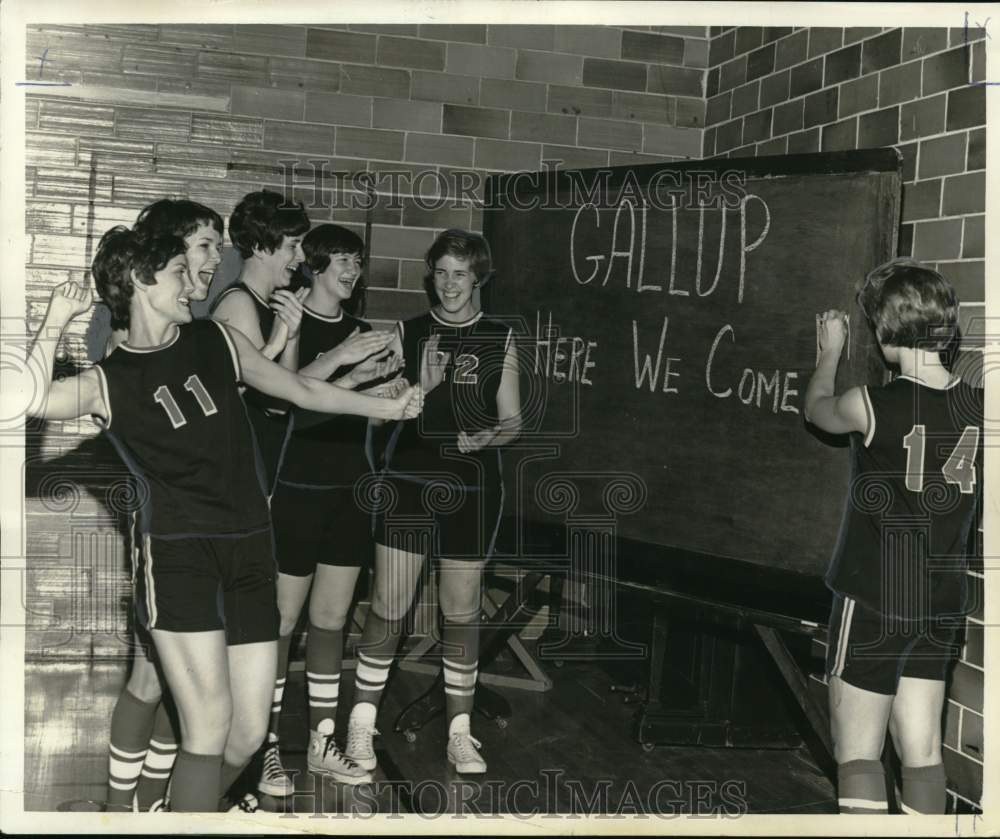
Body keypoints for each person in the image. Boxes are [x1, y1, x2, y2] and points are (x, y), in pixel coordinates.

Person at [24, 226, 423, 812]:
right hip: (180, 558)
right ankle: (169, 817)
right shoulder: (105, 381)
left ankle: (173, 813)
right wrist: (55, 318)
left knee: (244, 734)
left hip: (251, 550)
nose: (193, 283)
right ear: (139, 280)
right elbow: (24, 400)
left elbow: (297, 390)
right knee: (207, 731)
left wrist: (386, 406)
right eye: (178, 273)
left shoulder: (215, 337)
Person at [804, 258, 982, 815]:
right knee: (923, 749)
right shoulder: (980, 407)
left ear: (884, 333)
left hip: (878, 596)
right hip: (941, 602)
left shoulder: (871, 405)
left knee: (858, 754)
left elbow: (815, 412)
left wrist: (829, 350)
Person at [344, 229, 521, 776]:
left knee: (461, 614)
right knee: (389, 608)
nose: (449, 284)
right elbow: (369, 408)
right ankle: (360, 724)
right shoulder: (408, 333)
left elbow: (512, 421)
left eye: (460, 274)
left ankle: (459, 734)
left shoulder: (500, 336)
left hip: (472, 487)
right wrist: (415, 389)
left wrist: (486, 437)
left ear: (479, 278)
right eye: (441, 272)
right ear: (430, 274)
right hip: (410, 482)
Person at [261, 224, 401, 793]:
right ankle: (263, 743)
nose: (353, 271)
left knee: (331, 620)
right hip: (296, 489)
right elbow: (286, 399)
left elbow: (361, 415)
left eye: (358, 262)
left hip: (349, 491)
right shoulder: (292, 322)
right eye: (342, 260)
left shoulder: (366, 332)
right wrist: (344, 362)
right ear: (315, 265)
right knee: (281, 622)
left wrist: (387, 396)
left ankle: (322, 741)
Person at [99, 199, 224, 813]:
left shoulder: (202, 328)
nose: (212, 259)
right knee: (156, 678)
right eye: (201, 247)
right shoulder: (137, 327)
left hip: (217, 524)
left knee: (189, 688)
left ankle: (152, 803)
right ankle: (123, 806)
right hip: (165, 527)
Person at [211, 190, 311, 496]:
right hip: (235, 475)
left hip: (258, 470)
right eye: (293, 246)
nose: (302, 257)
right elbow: (273, 404)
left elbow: (285, 391)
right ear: (259, 247)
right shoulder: (240, 303)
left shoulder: (271, 305)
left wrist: (291, 337)